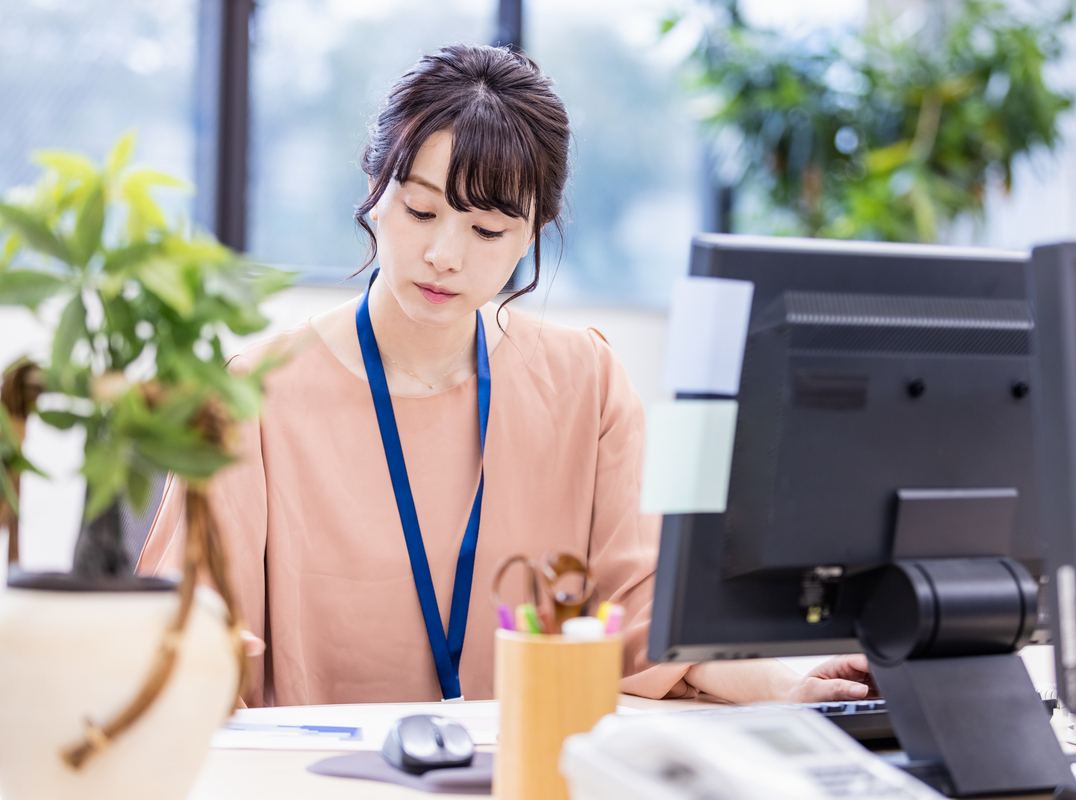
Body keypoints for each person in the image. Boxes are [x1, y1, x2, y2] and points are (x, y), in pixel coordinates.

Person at [138, 43, 875, 706]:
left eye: (488, 230)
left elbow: (647, 612)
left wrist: (784, 685)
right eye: (420, 210)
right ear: (375, 190)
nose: (445, 255)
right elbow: (186, 635)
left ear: (532, 233)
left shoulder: (586, 384)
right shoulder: (255, 394)